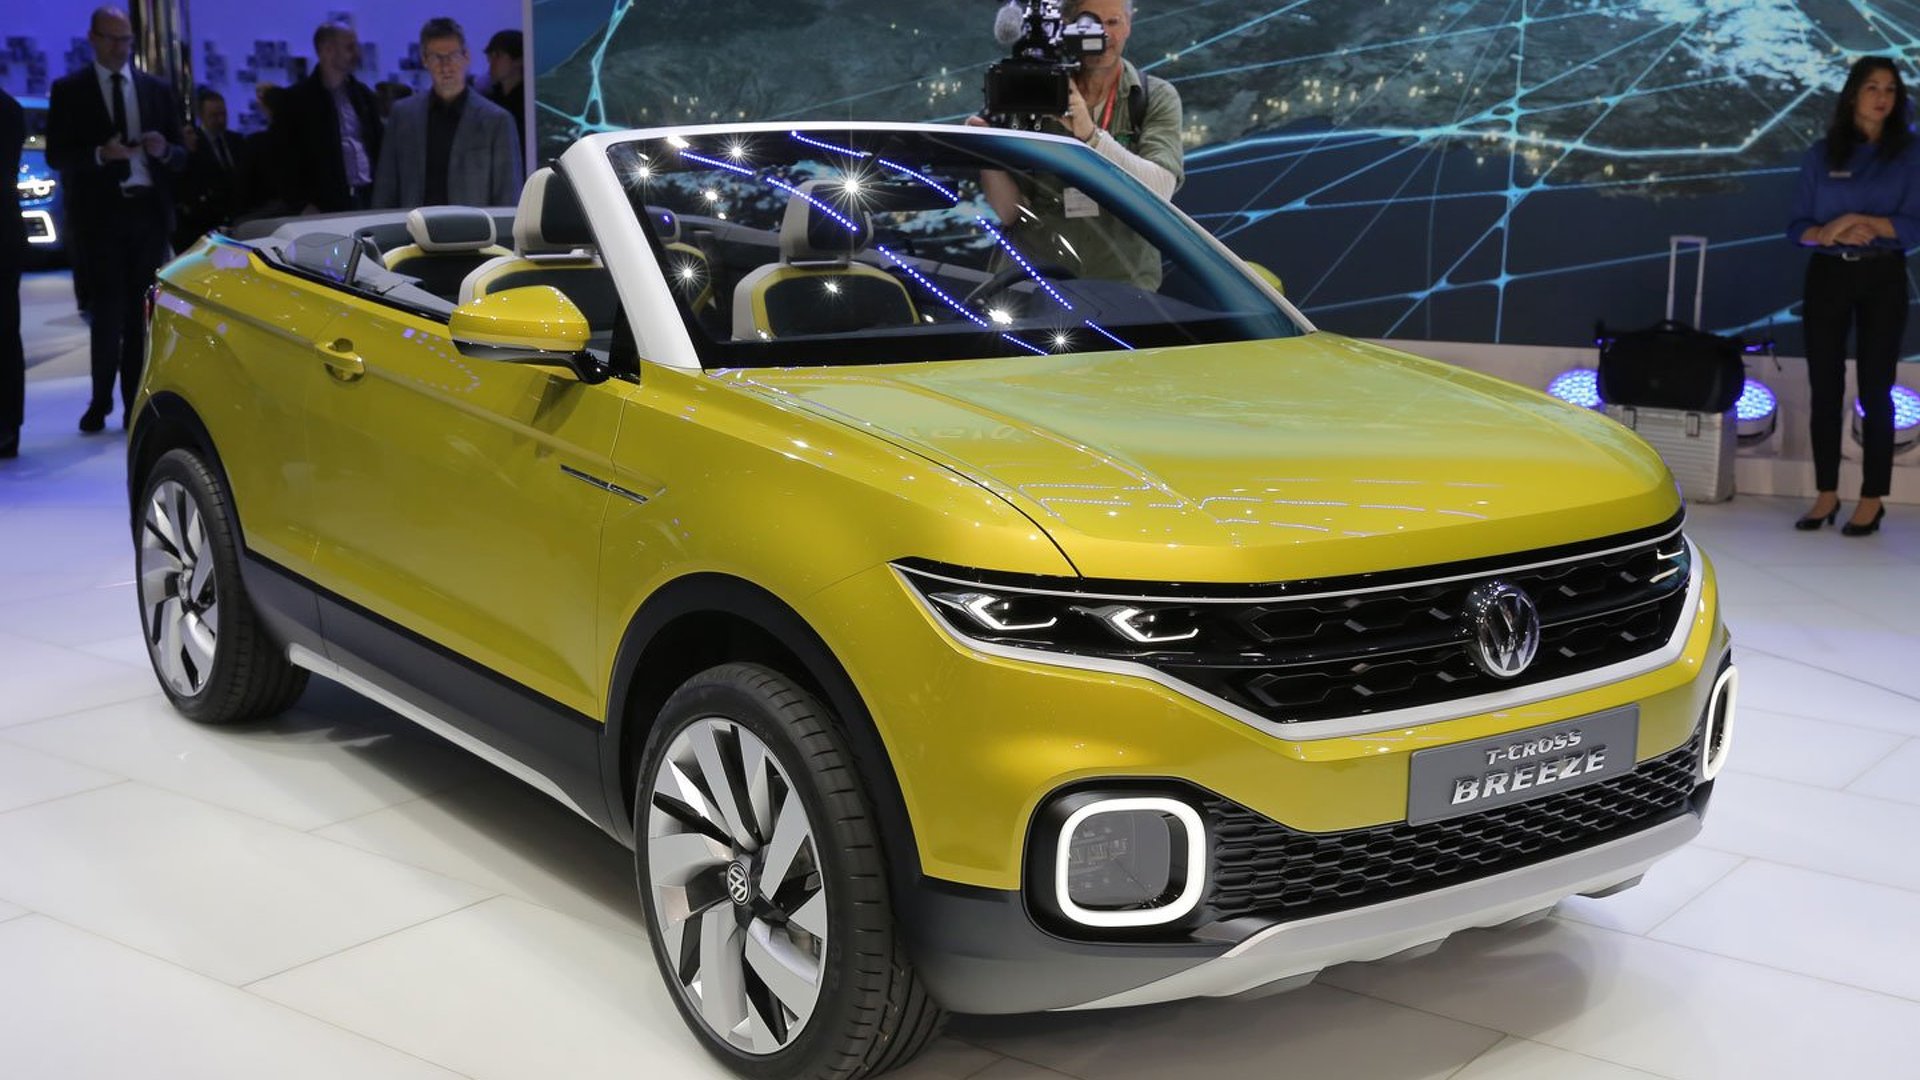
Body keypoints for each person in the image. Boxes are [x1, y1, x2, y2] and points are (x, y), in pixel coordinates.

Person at [1786, 55, 1920, 537]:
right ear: (1853, 96)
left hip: (1883, 277)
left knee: (1876, 389)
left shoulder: (1910, 155)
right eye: (1872, 87)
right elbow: (1798, 227)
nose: (1882, 97)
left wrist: (1854, 222)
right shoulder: (1822, 154)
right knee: (1825, 386)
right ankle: (1826, 493)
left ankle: (1871, 498)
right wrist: (1830, 232)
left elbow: (1913, 225)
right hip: (1827, 276)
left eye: (1890, 89)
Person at [967, 0, 1185, 289]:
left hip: (1121, 288)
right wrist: (988, 154)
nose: (1102, 35)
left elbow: (1161, 189)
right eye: (1089, 24)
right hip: (1035, 283)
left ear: (1128, 25)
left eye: (1113, 22)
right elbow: (1011, 212)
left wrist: (1091, 136)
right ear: (1066, 29)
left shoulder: (1153, 96)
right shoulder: (1037, 92)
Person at [45, 6, 188, 433]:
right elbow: (57, 155)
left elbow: (182, 155)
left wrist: (164, 150)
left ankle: (133, 404)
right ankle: (100, 400)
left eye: (126, 39)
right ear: (93, 39)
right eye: (112, 39)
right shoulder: (70, 90)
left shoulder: (155, 89)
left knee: (140, 315)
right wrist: (99, 155)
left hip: (147, 212)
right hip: (100, 216)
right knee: (105, 313)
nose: (120, 47)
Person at [372, 18, 523, 209]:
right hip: (412, 226)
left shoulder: (497, 120)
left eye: (452, 56)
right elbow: (385, 189)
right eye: (436, 57)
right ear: (425, 60)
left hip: (472, 228)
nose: (445, 66)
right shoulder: (402, 116)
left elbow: (508, 196)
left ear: (466, 56)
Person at [274, 21, 383, 213]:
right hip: (324, 205)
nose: (357, 54)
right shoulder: (295, 101)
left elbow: (378, 146)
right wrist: (302, 204)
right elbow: (284, 160)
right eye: (350, 47)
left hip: (368, 197)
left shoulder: (363, 95)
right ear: (327, 50)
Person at [172, 87, 248, 250]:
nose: (220, 120)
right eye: (214, 115)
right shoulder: (192, 144)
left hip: (236, 216)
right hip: (204, 222)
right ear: (201, 116)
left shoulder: (236, 140)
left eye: (223, 114)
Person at [1, 89, 25, 458]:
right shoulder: (9, 107)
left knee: (4, 331)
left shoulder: (6, 109)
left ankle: (6, 427)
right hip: (6, 232)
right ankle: (7, 428)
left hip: (2, 236)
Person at [481, 29, 526, 159]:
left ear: (518, 60)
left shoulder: (527, 103)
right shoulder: (488, 100)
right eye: (490, 56)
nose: (491, 62)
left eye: (498, 55)